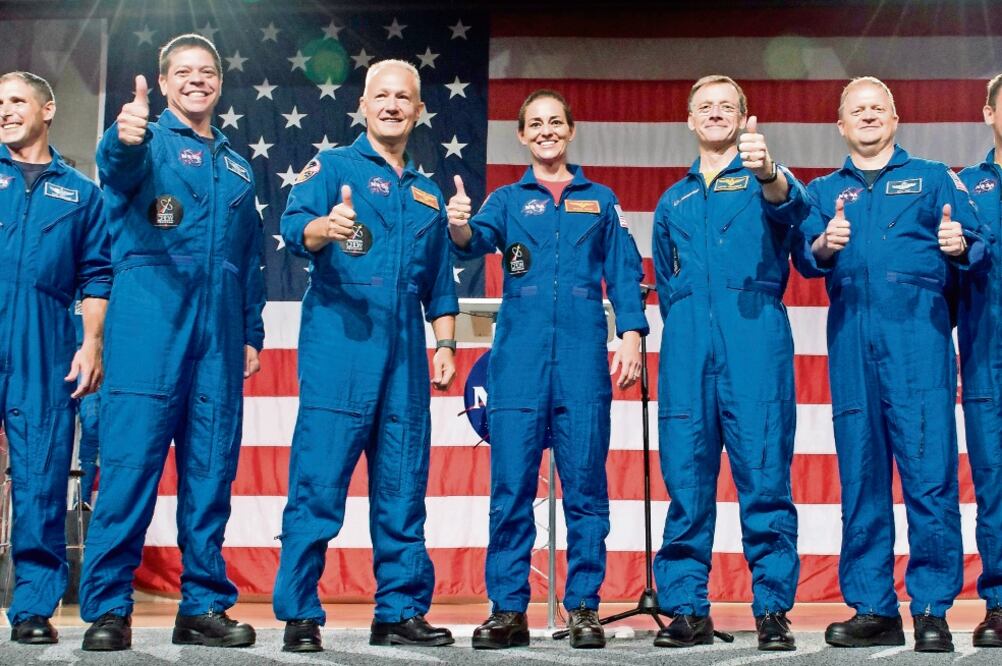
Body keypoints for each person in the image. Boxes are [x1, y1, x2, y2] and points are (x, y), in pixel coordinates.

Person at [77, 34, 264, 651]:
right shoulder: (145, 140)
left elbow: (250, 258)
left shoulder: (238, 165)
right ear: (163, 83)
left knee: (211, 474)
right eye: (183, 72)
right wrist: (122, 137)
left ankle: (202, 606)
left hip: (218, 336)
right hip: (148, 327)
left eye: (206, 72)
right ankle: (107, 608)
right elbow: (116, 165)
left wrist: (251, 332)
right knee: (129, 468)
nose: (196, 80)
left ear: (219, 82)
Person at [446, 89, 649, 650]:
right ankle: (508, 609)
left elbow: (625, 275)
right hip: (519, 363)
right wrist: (459, 224)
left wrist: (630, 334)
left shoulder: (601, 200)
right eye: (535, 124)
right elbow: (471, 244)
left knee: (586, 488)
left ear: (570, 129)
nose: (546, 131)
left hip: (583, 358)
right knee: (510, 489)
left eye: (555, 122)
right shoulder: (507, 200)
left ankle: (583, 606)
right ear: (522, 135)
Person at [273, 59, 458, 653]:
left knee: (403, 483)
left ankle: (399, 610)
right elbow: (294, 223)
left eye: (404, 97)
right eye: (382, 96)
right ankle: (301, 612)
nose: (393, 105)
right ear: (363, 104)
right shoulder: (331, 166)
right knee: (319, 480)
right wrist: (326, 226)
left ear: (420, 110)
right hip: (341, 338)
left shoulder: (428, 193)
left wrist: (446, 343)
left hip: (406, 344)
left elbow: (441, 286)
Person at [801, 77, 985, 653]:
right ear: (841, 126)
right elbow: (807, 259)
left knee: (929, 476)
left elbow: (975, 241)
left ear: (896, 117)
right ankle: (873, 607)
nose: (869, 116)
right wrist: (826, 245)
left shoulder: (933, 177)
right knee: (861, 479)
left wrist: (959, 246)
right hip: (853, 341)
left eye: (877, 108)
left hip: (918, 341)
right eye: (857, 110)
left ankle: (931, 607)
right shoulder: (823, 191)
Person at [650, 75, 812, 652]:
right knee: (686, 480)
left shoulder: (769, 179)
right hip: (689, 344)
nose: (714, 114)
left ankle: (771, 609)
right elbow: (667, 284)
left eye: (726, 107)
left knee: (765, 477)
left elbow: (800, 220)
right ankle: (687, 608)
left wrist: (769, 173)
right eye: (704, 108)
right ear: (690, 122)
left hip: (754, 337)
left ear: (746, 119)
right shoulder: (674, 200)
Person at [0, 70, 111, 644]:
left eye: (17, 100)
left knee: (41, 477)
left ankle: (32, 610)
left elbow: (96, 277)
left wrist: (90, 344)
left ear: (47, 110)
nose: (5, 110)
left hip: (44, 346)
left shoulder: (82, 194)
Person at [955, 72, 1002, 649]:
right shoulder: (963, 188)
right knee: (995, 485)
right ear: (988, 113)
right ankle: (1000, 602)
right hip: (989, 355)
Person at [71, 297, 100, 508]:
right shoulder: (65, 287)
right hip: (59, 362)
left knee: (91, 427)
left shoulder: (100, 287)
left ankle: (81, 502)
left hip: (92, 362)